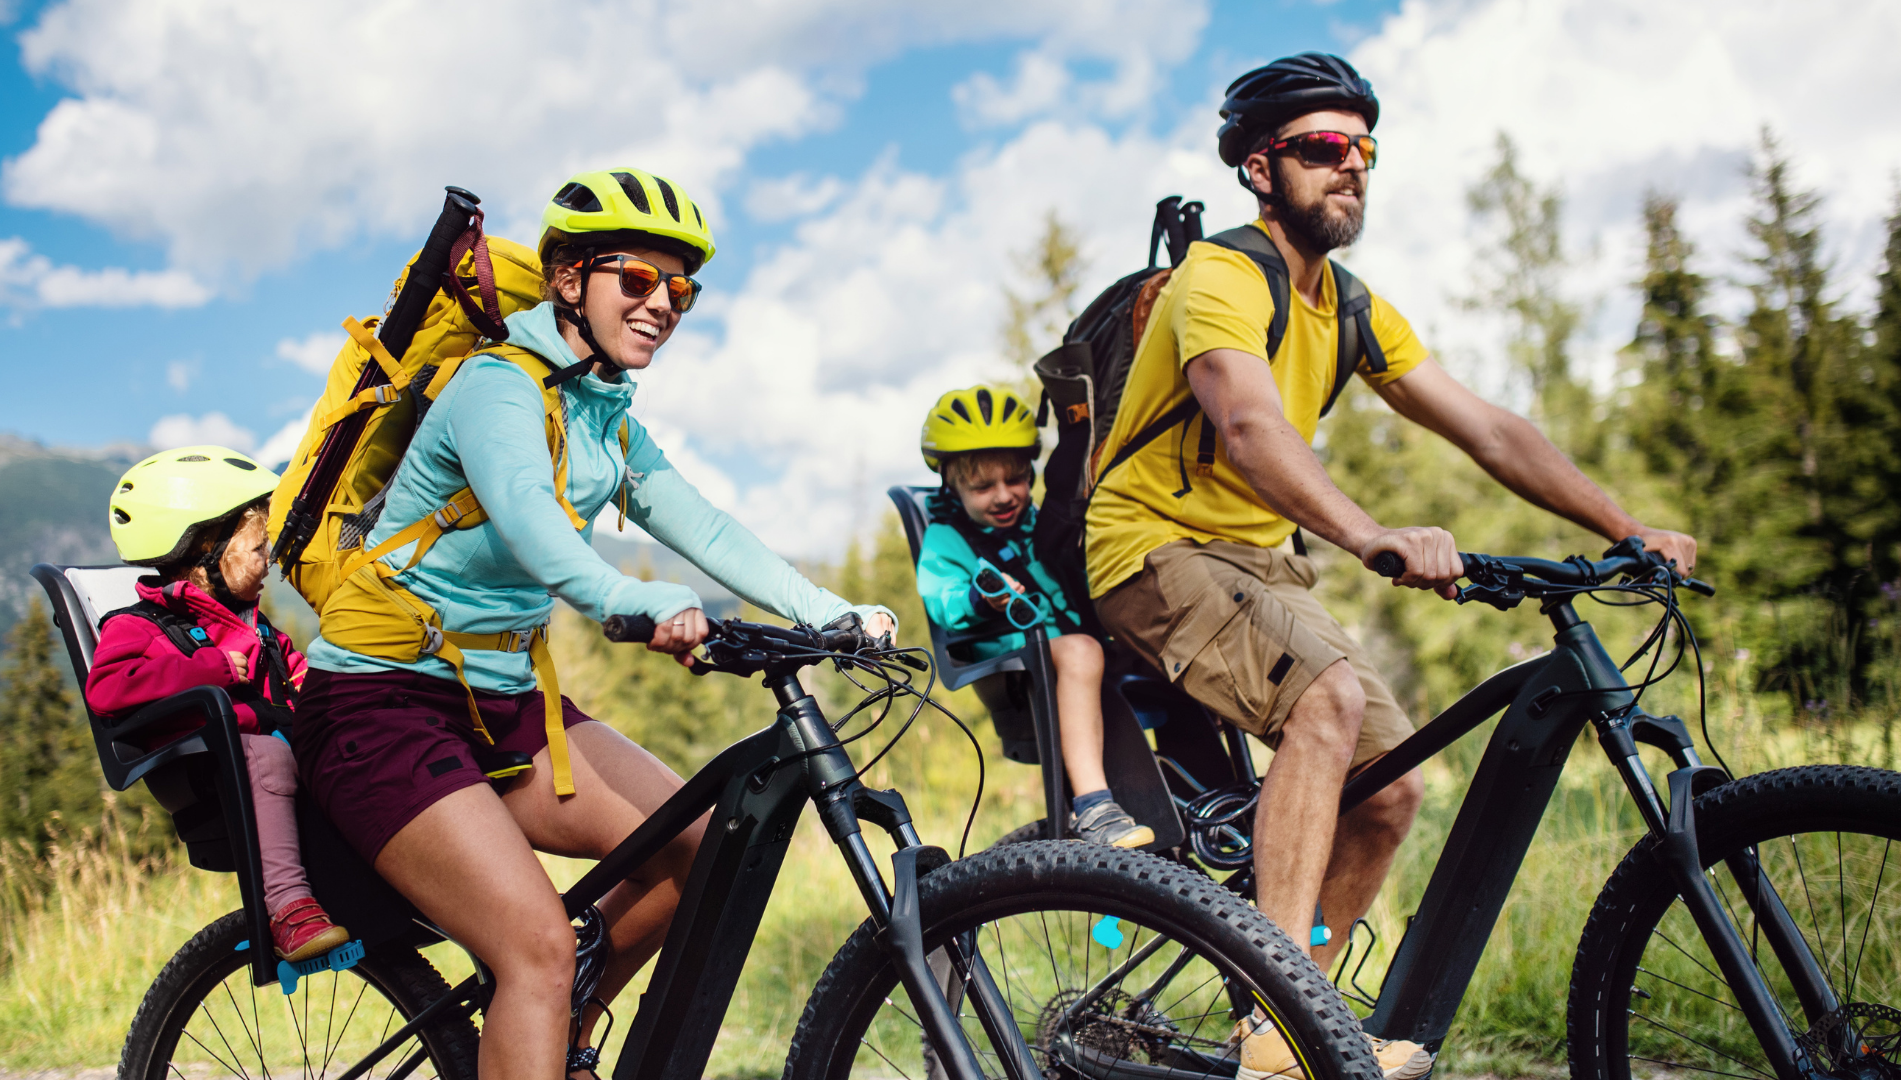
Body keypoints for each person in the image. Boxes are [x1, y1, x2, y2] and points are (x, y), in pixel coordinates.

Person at [1083, 54, 1699, 1080]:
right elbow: (1244, 423)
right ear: (1259, 168)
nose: (1353, 168)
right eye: (1326, 149)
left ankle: (1302, 1011)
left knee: (1389, 791)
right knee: (1324, 704)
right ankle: (1277, 1031)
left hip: (1260, 566)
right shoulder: (1223, 277)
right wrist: (1368, 532)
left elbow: (1488, 429)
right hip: (1154, 547)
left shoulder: (1353, 305)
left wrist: (1623, 524)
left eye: (1364, 150)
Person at [288, 167, 894, 1080]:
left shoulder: (605, 413)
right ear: (567, 279)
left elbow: (705, 526)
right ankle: (536, 999)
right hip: (380, 708)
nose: (663, 305)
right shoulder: (495, 386)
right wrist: (625, 598)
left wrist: (833, 615)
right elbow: (530, 519)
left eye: (679, 289)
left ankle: (551, 1034)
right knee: (534, 947)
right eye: (637, 280)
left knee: (699, 850)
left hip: (502, 703)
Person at [88, 446, 348, 963]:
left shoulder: (256, 626)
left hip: (267, 748)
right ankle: (288, 907)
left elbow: (296, 675)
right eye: (258, 548)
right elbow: (107, 689)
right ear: (207, 550)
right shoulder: (136, 626)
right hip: (207, 765)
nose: (268, 560)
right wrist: (210, 669)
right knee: (268, 755)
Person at [915, 386, 1152, 848]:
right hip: (1017, 666)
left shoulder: (1039, 524)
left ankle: (1207, 792)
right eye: (983, 487)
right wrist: (982, 598)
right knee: (1082, 650)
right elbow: (943, 600)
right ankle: (1094, 807)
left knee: (1157, 638)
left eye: (1016, 480)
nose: (1004, 496)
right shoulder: (946, 540)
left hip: (1070, 651)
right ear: (952, 486)